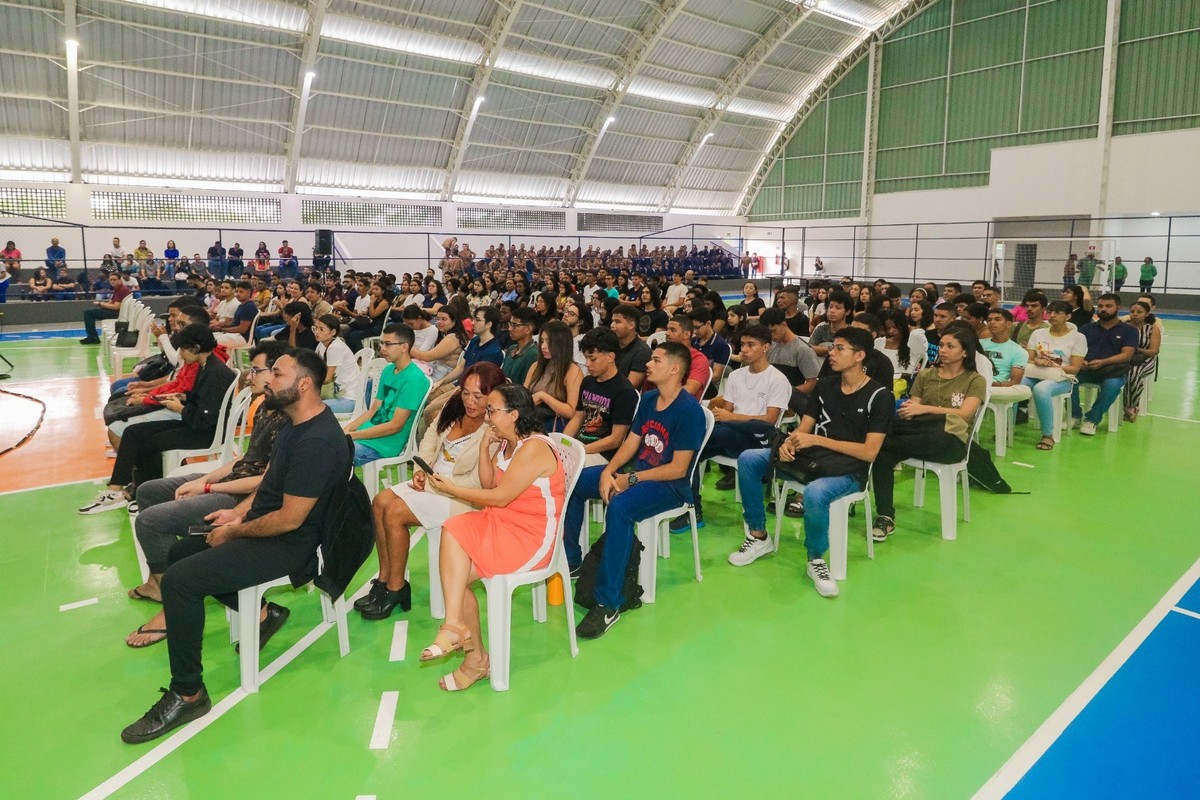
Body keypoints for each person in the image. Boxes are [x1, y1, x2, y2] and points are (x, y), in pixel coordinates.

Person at [119, 348, 351, 743]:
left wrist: (236, 532)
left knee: (179, 581)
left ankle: (188, 693)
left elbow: (290, 518)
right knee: (178, 554)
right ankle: (263, 613)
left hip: (289, 543)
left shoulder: (318, 442)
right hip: (266, 526)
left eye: (277, 374)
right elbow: (268, 487)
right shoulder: (295, 423)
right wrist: (237, 514)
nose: (268, 380)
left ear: (305, 384)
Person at [123, 341, 290, 645]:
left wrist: (208, 487)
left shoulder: (289, 418)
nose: (248, 376)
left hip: (242, 498)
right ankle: (162, 580)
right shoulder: (265, 405)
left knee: (148, 521)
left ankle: (172, 589)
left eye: (257, 370)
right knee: (148, 491)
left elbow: (263, 481)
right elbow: (244, 460)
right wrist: (205, 478)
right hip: (234, 480)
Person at [418, 384, 567, 690]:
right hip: (503, 521)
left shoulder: (535, 448)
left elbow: (498, 497)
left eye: (492, 411)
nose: (487, 416)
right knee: (454, 547)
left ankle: (465, 646)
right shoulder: (507, 441)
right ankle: (466, 642)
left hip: (530, 537)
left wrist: (451, 488)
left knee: (455, 567)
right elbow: (489, 484)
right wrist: (487, 447)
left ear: (514, 414)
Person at [729, 328, 892, 598]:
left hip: (849, 469)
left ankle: (815, 558)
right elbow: (805, 427)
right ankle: (758, 536)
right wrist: (788, 444)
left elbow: (869, 453)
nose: (831, 352)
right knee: (749, 459)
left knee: (815, 493)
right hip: (814, 460)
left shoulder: (880, 396)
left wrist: (818, 442)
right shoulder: (826, 386)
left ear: (860, 355)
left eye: (840, 348)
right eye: (833, 347)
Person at [561, 342, 705, 637]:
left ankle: (608, 603)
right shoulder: (650, 399)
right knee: (575, 482)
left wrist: (632, 480)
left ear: (675, 369)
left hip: (670, 488)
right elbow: (630, 443)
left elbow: (679, 469)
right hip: (638, 475)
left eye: (656, 360)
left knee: (621, 507)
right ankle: (572, 560)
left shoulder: (689, 410)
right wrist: (608, 470)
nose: (648, 365)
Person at [362, 363, 507, 621]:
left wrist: (441, 483)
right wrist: (422, 469)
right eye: (465, 392)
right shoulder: (456, 408)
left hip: (462, 498)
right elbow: (431, 436)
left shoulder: (495, 427)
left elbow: (480, 483)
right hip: (434, 483)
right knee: (380, 501)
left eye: (478, 396)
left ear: (493, 396)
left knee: (394, 512)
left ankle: (397, 588)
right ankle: (384, 581)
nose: (469, 401)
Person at [79, 325, 238, 513]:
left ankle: (145, 494)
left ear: (195, 348)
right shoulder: (207, 365)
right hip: (194, 422)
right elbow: (200, 398)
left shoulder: (215, 373)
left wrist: (181, 408)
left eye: (183, 349)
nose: (180, 354)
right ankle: (117, 489)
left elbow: (207, 418)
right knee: (133, 432)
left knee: (148, 442)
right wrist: (183, 398)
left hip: (204, 433)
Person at [870, 327, 987, 541]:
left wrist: (926, 409)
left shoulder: (974, 380)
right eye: (941, 345)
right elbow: (911, 411)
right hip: (919, 434)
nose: (943, 350)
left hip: (950, 442)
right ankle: (885, 516)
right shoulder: (926, 375)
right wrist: (912, 411)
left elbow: (964, 415)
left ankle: (879, 446)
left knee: (884, 444)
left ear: (965, 352)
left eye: (950, 346)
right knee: (883, 452)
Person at [344, 323, 431, 466]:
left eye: (388, 344)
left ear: (404, 347)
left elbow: (395, 426)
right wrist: (349, 428)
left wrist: (352, 435)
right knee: (322, 444)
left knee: (330, 455)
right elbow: (373, 410)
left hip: (383, 446)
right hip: (365, 436)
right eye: (382, 343)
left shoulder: (415, 380)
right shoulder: (388, 369)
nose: (382, 349)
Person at [563, 328, 638, 467]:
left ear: (610, 357)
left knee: (564, 467)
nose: (587, 364)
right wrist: (563, 442)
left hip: (602, 454)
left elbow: (616, 439)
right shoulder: (587, 382)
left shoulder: (625, 391)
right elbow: (578, 418)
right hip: (580, 445)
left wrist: (582, 450)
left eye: (593, 359)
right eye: (586, 358)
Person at [422, 306, 505, 425]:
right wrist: (441, 382)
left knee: (430, 411)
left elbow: (480, 386)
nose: (472, 322)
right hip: (458, 385)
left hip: (468, 392)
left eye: (477, 320)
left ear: (488, 324)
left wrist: (460, 391)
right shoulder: (475, 340)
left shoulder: (493, 352)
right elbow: (461, 367)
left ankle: (433, 440)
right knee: (426, 394)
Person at [1021, 300, 1086, 451]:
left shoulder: (1078, 337)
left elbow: (1075, 368)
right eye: (1050, 312)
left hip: (1062, 377)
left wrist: (1054, 365)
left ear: (1068, 316)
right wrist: (1037, 360)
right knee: (1018, 385)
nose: (1052, 315)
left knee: (1041, 389)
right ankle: (1007, 428)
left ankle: (1047, 435)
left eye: (1057, 312)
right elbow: (1029, 358)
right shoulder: (1038, 333)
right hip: (1036, 372)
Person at [1070, 293, 1138, 435]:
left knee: (1112, 386)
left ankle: (1092, 419)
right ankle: (1074, 415)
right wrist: (1081, 362)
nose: (1103, 309)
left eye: (1108, 306)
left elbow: (1127, 355)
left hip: (1113, 371)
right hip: (1086, 369)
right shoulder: (1086, 329)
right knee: (1067, 379)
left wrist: (1103, 362)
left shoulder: (1130, 330)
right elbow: (1075, 350)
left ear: (1118, 308)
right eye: (1100, 306)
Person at [525, 320, 583, 433]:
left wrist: (543, 396)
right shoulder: (535, 366)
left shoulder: (572, 371)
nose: (543, 346)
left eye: (549, 342)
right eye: (541, 341)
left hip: (553, 429)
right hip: (529, 424)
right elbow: (524, 397)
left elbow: (572, 412)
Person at [761, 307, 820, 413]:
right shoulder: (770, 347)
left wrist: (787, 393)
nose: (771, 336)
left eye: (773, 331)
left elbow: (813, 383)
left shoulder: (802, 349)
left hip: (789, 402)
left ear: (784, 324)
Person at [980, 309, 1032, 404]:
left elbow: (1014, 382)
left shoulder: (1018, 351)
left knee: (1024, 390)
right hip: (975, 382)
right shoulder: (979, 345)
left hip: (996, 387)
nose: (992, 322)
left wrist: (993, 384)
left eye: (997, 319)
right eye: (989, 320)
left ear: (1008, 324)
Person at [313, 314, 362, 413]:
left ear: (333, 332)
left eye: (321, 329)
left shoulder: (335, 347)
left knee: (312, 409)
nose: (317, 332)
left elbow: (327, 379)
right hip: (334, 393)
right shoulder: (321, 345)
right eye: (315, 328)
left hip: (348, 397)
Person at [1122, 300, 1161, 422]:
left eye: (1139, 312)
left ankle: (1131, 406)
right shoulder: (1123, 327)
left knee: (1133, 372)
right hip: (1125, 358)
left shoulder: (1152, 329)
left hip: (1145, 359)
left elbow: (1154, 351)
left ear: (1147, 314)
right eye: (1132, 311)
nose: (1135, 314)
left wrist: (1136, 349)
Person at [411, 306, 468, 383]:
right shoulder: (445, 334)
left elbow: (427, 357)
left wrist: (408, 347)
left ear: (454, 321)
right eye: (437, 319)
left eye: (444, 319)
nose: (439, 322)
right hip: (434, 368)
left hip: (442, 375)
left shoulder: (453, 337)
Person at [80, 272, 132, 344]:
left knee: (88, 313)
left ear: (120, 280)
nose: (112, 281)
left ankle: (93, 337)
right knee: (91, 311)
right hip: (118, 312)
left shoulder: (122, 290)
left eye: (115, 279)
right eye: (111, 280)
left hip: (118, 313)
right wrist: (102, 304)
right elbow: (111, 302)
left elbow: (116, 307)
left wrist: (101, 304)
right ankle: (92, 336)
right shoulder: (117, 289)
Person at [691, 307, 730, 397]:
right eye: (693, 328)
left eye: (697, 327)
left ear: (708, 323)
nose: (694, 331)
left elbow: (716, 376)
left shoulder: (721, 345)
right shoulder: (693, 341)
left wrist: (695, 380)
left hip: (709, 386)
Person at [611, 304, 652, 389]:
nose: (612, 325)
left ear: (631, 325)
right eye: (612, 321)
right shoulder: (610, 344)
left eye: (617, 322)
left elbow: (630, 386)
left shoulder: (642, 351)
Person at [212, 281, 258, 348]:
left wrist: (222, 329)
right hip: (236, 335)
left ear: (248, 293)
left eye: (241, 292)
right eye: (237, 292)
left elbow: (242, 329)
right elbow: (234, 322)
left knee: (211, 341)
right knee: (210, 336)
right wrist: (222, 325)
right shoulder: (241, 305)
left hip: (243, 338)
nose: (237, 294)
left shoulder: (249, 307)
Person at [501, 306, 540, 385]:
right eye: (510, 324)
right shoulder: (511, 349)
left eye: (514, 325)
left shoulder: (534, 355)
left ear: (528, 329)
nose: (510, 329)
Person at [808, 290, 853, 358]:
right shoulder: (821, 327)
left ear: (847, 312)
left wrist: (820, 349)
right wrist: (829, 348)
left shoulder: (851, 332)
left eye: (838, 308)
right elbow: (808, 348)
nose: (832, 311)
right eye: (830, 307)